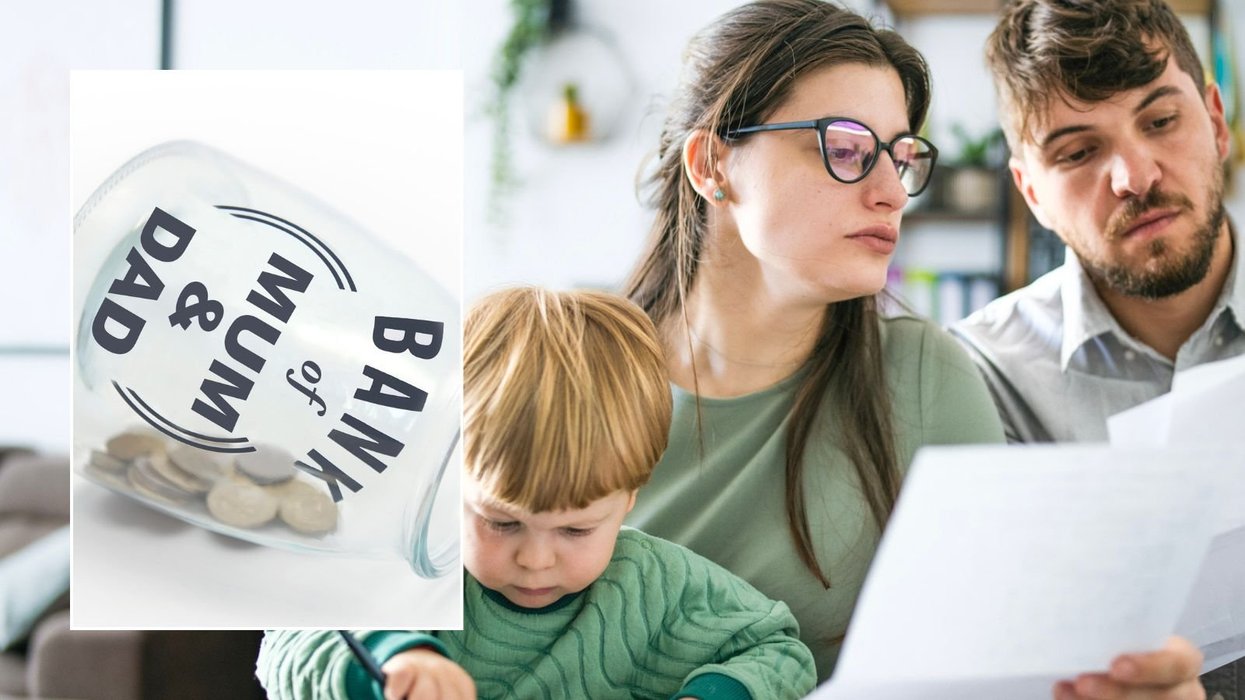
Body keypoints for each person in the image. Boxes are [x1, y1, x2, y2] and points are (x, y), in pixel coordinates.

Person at [622, 0, 1207, 697]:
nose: (890, 195)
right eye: (844, 149)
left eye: (898, 158)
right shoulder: (550, 368)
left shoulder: (926, 378)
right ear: (712, 163)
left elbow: (995, 668)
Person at [257, 287, 817, 699]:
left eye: (575, 529)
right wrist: (391, 662)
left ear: (629, 497)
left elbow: (779, 652)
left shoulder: (658, 584)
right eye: (501, 522)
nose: (535, 558)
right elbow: (286, 646)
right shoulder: (417, 567)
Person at [950, 0, 1241, 696]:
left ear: (1215, 119)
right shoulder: (978, 374)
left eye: (1160, 122)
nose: (1135, 177)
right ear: (1030, 193)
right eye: (1077, 152)